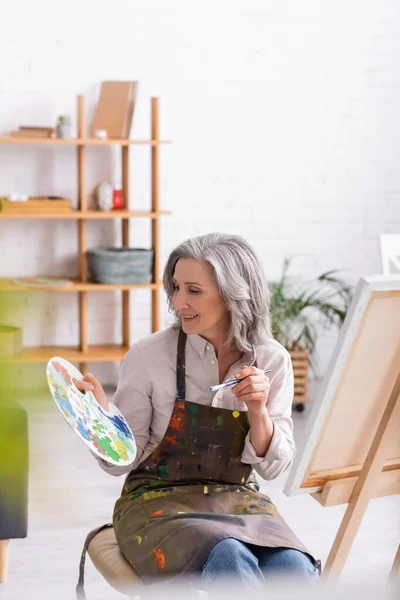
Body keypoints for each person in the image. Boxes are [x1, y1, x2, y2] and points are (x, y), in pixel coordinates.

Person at [75, 232, 320, 589]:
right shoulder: (149, 355)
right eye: (175, 287)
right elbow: (121, 464)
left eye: (193, 290)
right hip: (156, 501)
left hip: (239, 500)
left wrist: (257, 410)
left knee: (294, 566)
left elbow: (273, 468)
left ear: (233, 294)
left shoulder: (272, 360)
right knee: (229, 556)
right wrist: (97, 420)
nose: (177, 302)